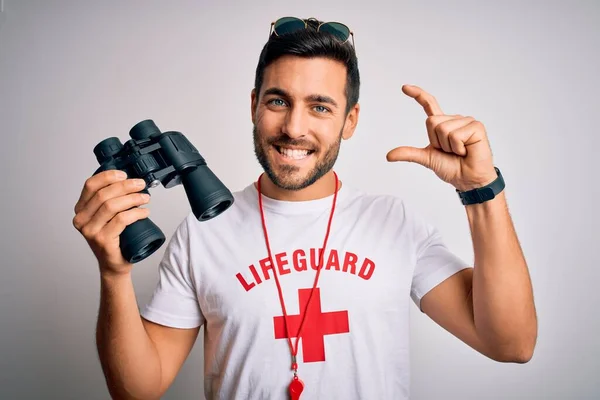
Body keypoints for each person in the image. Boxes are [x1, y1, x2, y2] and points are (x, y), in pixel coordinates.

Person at [72, 16, 538, 400]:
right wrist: (113, 274)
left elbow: (512, 344)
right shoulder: (202, 230)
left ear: (349, 120)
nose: (294, 128)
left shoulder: (393, 223)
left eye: (320, 107)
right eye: (278, 101)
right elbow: (138, 389)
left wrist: (481, 191)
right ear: (255, 105)